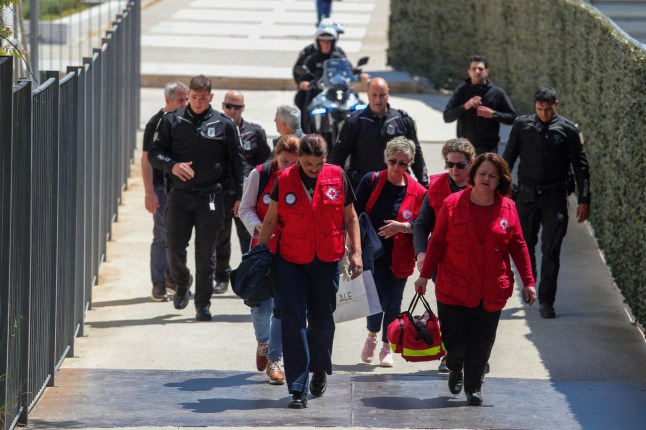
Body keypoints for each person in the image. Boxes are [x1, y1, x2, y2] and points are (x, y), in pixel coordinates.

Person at [414, 153, 536, 406]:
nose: (486, 179)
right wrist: (424, 276)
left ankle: (473, 386)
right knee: (454, 341)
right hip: (454, 287)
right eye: (482, 174)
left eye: (492, 176)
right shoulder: (451, 204)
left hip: (490, 289)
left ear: (500, 180)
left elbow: (518, 245)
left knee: (482, 341)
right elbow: (436, 242)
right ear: (473, 176)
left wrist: (529, 281)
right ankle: (455, 365)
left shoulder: (508, 207)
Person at [256, 134, 363, 409]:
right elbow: (271, 219)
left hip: (326, 259)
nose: (314, 169)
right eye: (307, 164)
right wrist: (258, 253)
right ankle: (298, 386)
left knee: (322, 321)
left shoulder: (337, 176)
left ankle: (319, 368)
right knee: (292, 320)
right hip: (290, 260)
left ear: (325, 158)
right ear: (299, 159)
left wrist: (357, 253)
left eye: (319, 163)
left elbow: (350, 217)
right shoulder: (284, 179)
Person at [148, 75, 245, 322]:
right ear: (188, 96)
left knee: (205, 252)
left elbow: (237, 162)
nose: (198, 102)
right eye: (194, 97)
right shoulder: (172, 120)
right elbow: (154, 154)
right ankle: (182, 282)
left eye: (203, 98)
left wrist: (239, 196)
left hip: (210, 197)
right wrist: (172, 165)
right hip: (179, 195)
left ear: (211, 97)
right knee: (174, 247)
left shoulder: (224, 124)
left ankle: (203, 304)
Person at [503, 86, 591, 319]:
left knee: (551, 250)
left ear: (556, 105)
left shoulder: (568, 129)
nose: (543, 114)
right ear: (535, 106)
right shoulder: (522, 125)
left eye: (548, 110)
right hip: (527, 195)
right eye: (539, 109)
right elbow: (507, 159)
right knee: (525, 245)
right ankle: (530, 283)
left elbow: (581, 167)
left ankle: (547, 301)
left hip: (554, 196)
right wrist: (503, 188)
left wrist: (584, 199)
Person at [354, 136, 426, 368]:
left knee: (394, 303)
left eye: (403, 163)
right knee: (375, 300)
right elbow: (353, 214)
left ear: (410, 164)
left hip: (399, 257)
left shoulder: (418, 192)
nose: (396, 167)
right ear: (386, 159)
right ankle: (372, 336)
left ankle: (387, 346)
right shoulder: (371, 181)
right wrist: (351, 247)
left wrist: (402, 227)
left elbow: (423, 225)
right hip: (372, 254)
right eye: (393, 161)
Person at [238, 135, 301, 386]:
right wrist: (257, 227)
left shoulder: (302, 177)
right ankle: (263, 342)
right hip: (263, 251)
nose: (289, 167)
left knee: (282, 308)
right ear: (276, 154)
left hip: (291, 251)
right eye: (285, 161)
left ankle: (275, 359)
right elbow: (245, 208)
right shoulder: (260, 175)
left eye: (294, 163)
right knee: (260, 307)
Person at [412, 137, 475, 373]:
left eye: (460, 165)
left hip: (474, 260)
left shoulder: (482, 185)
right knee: (449, 312)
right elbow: (422, 225)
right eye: (449, 164)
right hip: (443, 262)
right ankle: (450, 355)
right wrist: (421, 253)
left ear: (471, 163)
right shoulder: (436, 187)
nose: (454, 170)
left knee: (473, 312)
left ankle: (474, 355)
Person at [213, 90, 272, 295]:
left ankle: (250, 275)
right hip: (221, 192)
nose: (232, 110)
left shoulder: (254, 132)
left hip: (247, 194)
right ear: (222, 106)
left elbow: (266, 162)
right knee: (220, 236)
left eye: (237, 107)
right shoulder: (215, 129)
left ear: (243, 108)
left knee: (249, 236)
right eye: (229, 106)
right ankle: (221, 276)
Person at [331, 77, 429, 189]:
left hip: (395, 187)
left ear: (388, 93)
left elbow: (416, 154)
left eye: (382, 95)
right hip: (363, 187)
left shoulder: (402, 120)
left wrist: (424, 183)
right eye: (374, 95)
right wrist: (333, 185)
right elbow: (338, 157)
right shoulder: (355, 122)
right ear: (367, 94)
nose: (378, 100)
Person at [141, 81, 188, 302]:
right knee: (162, 235)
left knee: (176, 236)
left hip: (180, 188)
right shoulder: (156, 123)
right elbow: (146, 159)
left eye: (186, 99)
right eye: (180, 100)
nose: (185, 103)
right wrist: (149, 192)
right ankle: (158, 283)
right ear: (168, 100)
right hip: (161, 187)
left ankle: (172, 278)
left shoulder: (184, 120)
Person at [443, 54, 517, 155]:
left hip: (489, 148)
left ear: (486, 71)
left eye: (480, 69)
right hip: (465, 148)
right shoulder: (461, 91)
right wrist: (465, 106)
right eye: (474, 69)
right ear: (469, 72)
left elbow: (513, 117)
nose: (477, 71)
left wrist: (493, 114)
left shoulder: (497, 93)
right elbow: (447, 117)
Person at [294, 26, 346, 132]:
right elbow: (303, 77)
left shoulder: (338, 57)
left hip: (336, 93)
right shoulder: (312, 59)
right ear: (318, 42)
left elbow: (348, 70)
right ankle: (305, 130)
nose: (326, 44)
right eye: (323, 41)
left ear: (333, 42)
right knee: (300, 98)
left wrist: (358, 75)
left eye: (329, 42)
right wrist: (303, 83)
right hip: (317, 93)